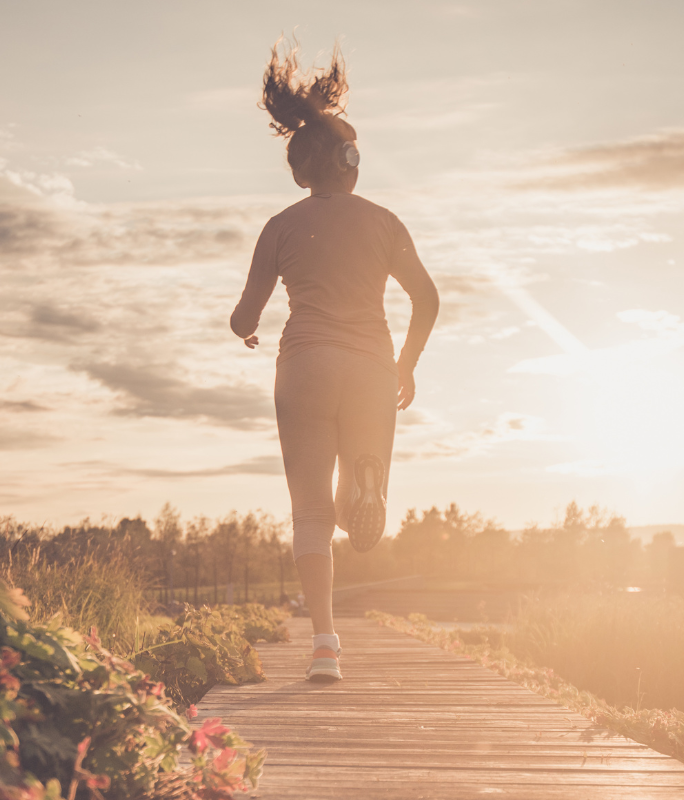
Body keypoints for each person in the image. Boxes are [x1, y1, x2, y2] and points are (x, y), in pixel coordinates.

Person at [230, 42, 439, 683]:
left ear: (301, 173)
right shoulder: (383, 222)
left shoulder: (280, 226)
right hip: (373, 364)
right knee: (353, 487)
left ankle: (325, 646)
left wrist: (245, 332)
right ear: (352, 164)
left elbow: (245, 316)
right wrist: (405, 365)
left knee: (311, 513)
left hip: (305, 367)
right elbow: (427, 299)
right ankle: (365, 485)